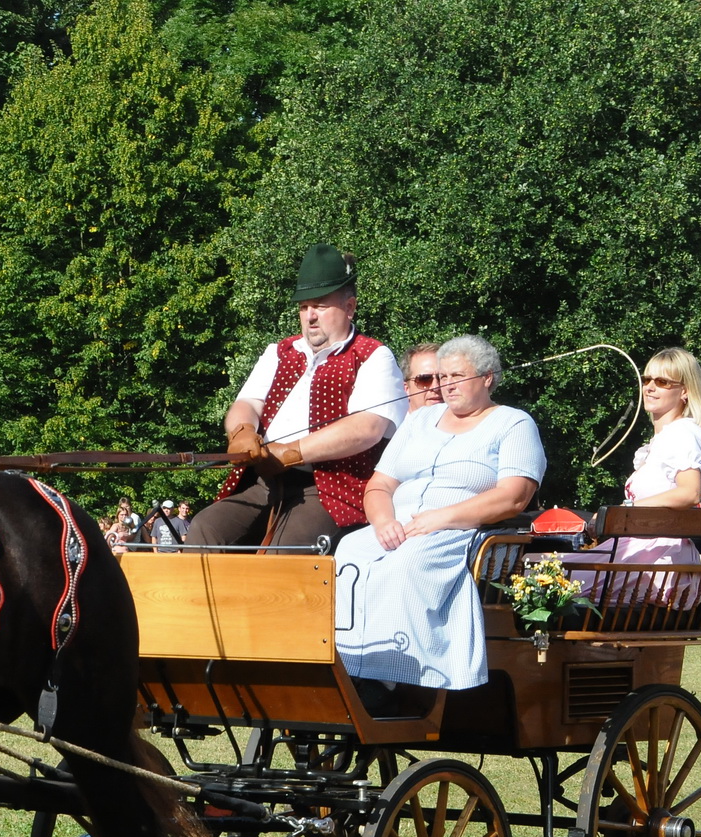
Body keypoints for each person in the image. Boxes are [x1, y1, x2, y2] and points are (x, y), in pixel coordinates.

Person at [334, 334, 544, 708]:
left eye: (457, 376)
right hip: (397, 525)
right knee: (348, 551)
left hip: (462, 531)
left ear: (487, 378)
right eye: (442, 377)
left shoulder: (512, 423)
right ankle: (345, 667)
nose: (446, 385)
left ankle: (391, 681)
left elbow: (515, 495)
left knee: (407, 563)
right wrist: (383, 521)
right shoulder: (419, 421)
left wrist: (441, 518)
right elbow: (380, 484)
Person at [188, 244, 407, 551]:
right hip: (266, 482)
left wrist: (290, 452)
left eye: (319, 305)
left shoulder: (373, 356)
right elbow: (247, 403)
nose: (310, 317)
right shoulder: (279, 351)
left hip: (331, 488)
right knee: (206, 527)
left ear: (350, 307)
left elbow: (366, 428)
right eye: (304, 308)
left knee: (286, 550)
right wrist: (242, 432)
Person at [567, 347, 701, 608]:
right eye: (646, 380)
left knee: (548, 577)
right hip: (641, 553)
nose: (649, 387)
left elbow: (690, 493)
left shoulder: (683, 433)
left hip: (660, 561)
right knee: (543, 570)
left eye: (662, 381)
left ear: (685, 391)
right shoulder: (661, 440)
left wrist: (623, 511)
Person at [403, 342, 444, 412]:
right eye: (425, 380)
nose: (436, 387)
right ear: (406, 389)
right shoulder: (391, 422)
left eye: (442, 378)